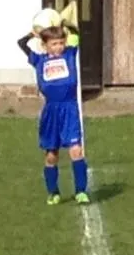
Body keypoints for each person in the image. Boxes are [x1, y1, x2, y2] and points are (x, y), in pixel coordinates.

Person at [19, 18, 89, 205]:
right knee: (52, 155)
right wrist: (32, 34)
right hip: (51, 110)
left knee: (76, 150)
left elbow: (76, 34)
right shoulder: (39, 60)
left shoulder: (70, 54)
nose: (58, 47)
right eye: (54, 44)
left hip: (69, 108)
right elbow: (21, 44)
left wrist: (66, 24)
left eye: (60, 43)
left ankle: (81, 191)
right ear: (45, 45)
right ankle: (53, 192)